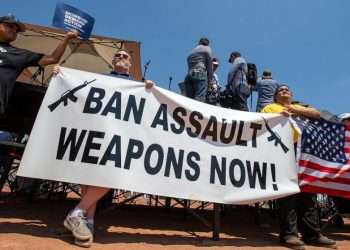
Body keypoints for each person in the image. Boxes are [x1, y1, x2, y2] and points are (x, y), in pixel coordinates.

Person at [54, 49, 154, 248]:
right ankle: (87, 222)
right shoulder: (99, 79)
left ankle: (76, 213)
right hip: (96, 130)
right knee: (89, 177)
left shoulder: (137, 86)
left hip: (119, 135)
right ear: (112, 61)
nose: (121, 58)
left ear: (131, 63)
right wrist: (61, 73)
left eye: (125, 56)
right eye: (118, 55)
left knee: (111, 175)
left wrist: (149, 88)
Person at [261, 85, 337, 250]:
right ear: (275, 97)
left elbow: (317, 114)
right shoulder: (269, 107)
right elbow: (263, 121)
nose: (284, 91)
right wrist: (279, 114)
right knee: (288, 193)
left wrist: (293, 109)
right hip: (283, 150)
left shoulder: (299, 105)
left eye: (287, 89)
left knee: (308, 194)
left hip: (305, 152)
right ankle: (289, 235)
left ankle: (313, 235)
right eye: (280, 90)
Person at [0, 14, 78, 114]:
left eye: (17, 30)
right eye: (10, 26)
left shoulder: (19, 55)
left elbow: (52, 58)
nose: (14, 31)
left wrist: (67, 38)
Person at [183, 37, 213, 103]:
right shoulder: (207, 48)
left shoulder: (192, 52)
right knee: (199, 97)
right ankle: (197, 112)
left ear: (199, 42)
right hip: (200, 72)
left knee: (190, 100)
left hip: (189, 75)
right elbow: (210, 65)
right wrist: (210, 79)